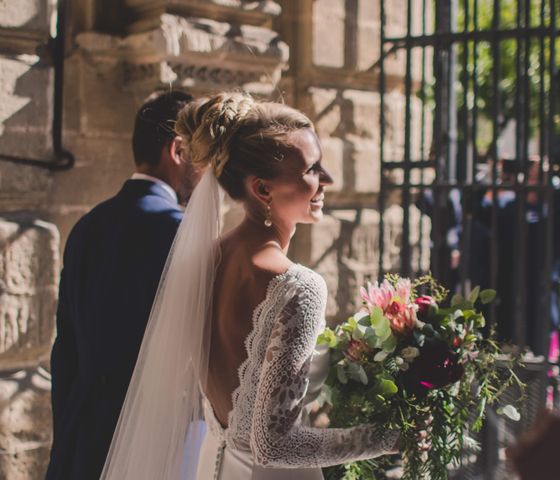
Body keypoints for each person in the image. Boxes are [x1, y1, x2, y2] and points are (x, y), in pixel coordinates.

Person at [99, 93, 399, 480]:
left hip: (214, 465)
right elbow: (274, 445)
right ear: (262, 189)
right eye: (311, 169)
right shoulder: (298, 286)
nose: (327, 180)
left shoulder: (203, 262)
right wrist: (387, 437)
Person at [45, 90, 198, 480]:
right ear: (177, 149)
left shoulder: (87, 225)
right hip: (149, 440)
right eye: (201, 156)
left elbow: (65, 352)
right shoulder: (178, 232)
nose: (205, 170)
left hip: (83, 437)